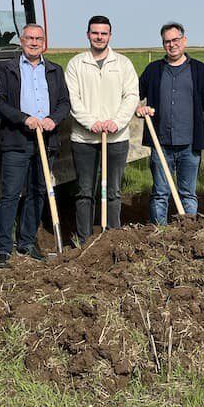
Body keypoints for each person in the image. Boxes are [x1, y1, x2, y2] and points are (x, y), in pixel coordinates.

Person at [0, 23, 70, 267]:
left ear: (44, 42)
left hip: (46, 140)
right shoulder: (7, 69)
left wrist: (53, 119)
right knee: (11, 194)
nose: (34, 43)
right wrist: (23, 118)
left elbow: (64, 103)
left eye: (38, 39)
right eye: (29, 38)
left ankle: (26, 241)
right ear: (21, 40)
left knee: (38, 192)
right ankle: (3, 247)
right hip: (17, 139)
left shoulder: (55, 70)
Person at [65, 15, 139, 244]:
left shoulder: (123, 64)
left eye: (103, 33)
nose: (99, 37)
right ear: (88, 34)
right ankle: (85, 241)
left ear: (110, 36)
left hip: (116, 138)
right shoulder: (77, 64)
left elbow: (131, 96)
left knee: (113, 191)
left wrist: (117, 121)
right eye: (95, 33)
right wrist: (90, 122)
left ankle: (112, 239)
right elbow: (73, 99)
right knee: (85, 191)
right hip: (84, 139)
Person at [136, 22, 204, 223]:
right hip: (161, 144)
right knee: (160, 193)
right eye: (167, 41)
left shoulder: (199, 70)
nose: (172, 45)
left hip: (189, 145)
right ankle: (159, 233)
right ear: (163, 44)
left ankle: (188, 233)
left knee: (188, 194)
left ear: (184, 40)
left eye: (175, 40)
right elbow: (133, 95)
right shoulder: (153, 70)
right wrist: (139, 108)